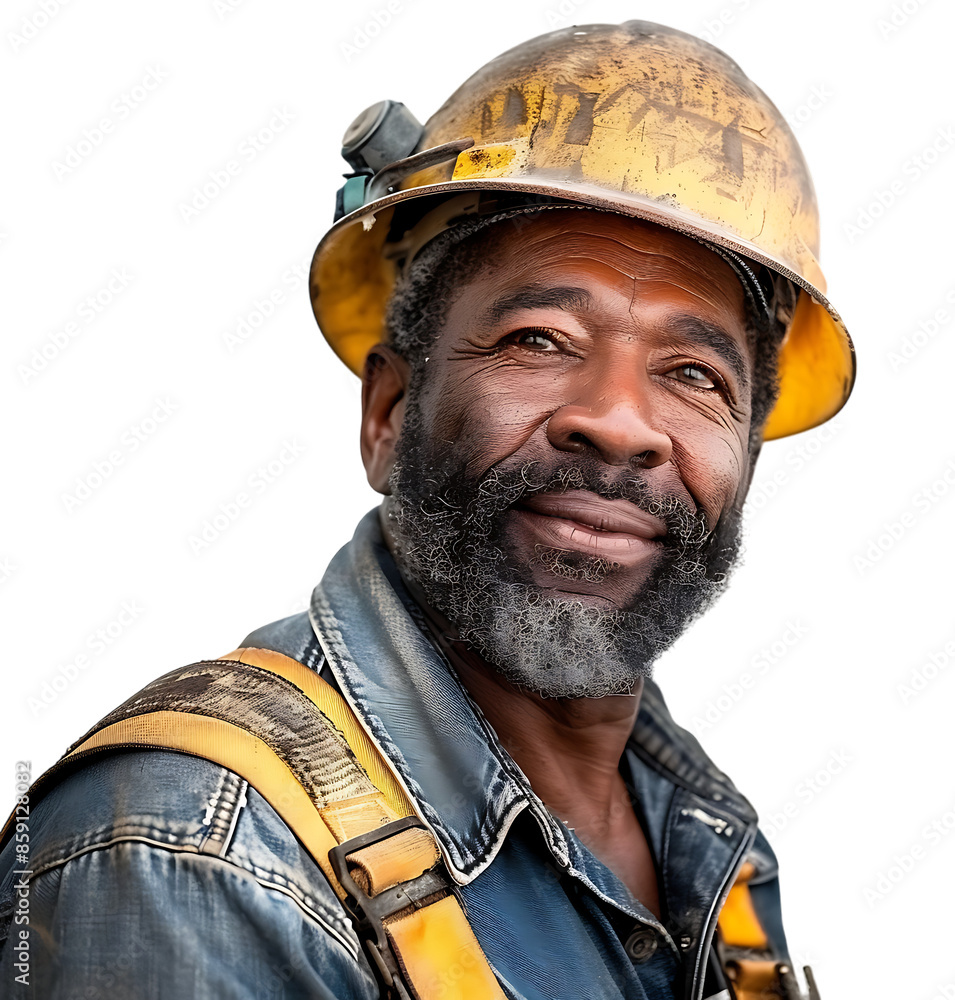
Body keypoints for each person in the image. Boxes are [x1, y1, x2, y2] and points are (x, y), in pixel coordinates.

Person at [0, 20, 852, 1000]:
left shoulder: (707, 845)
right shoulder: (199, 850)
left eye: (693, 373)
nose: (620, 421)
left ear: (743, 456)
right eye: (539, 338)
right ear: (390, 414)